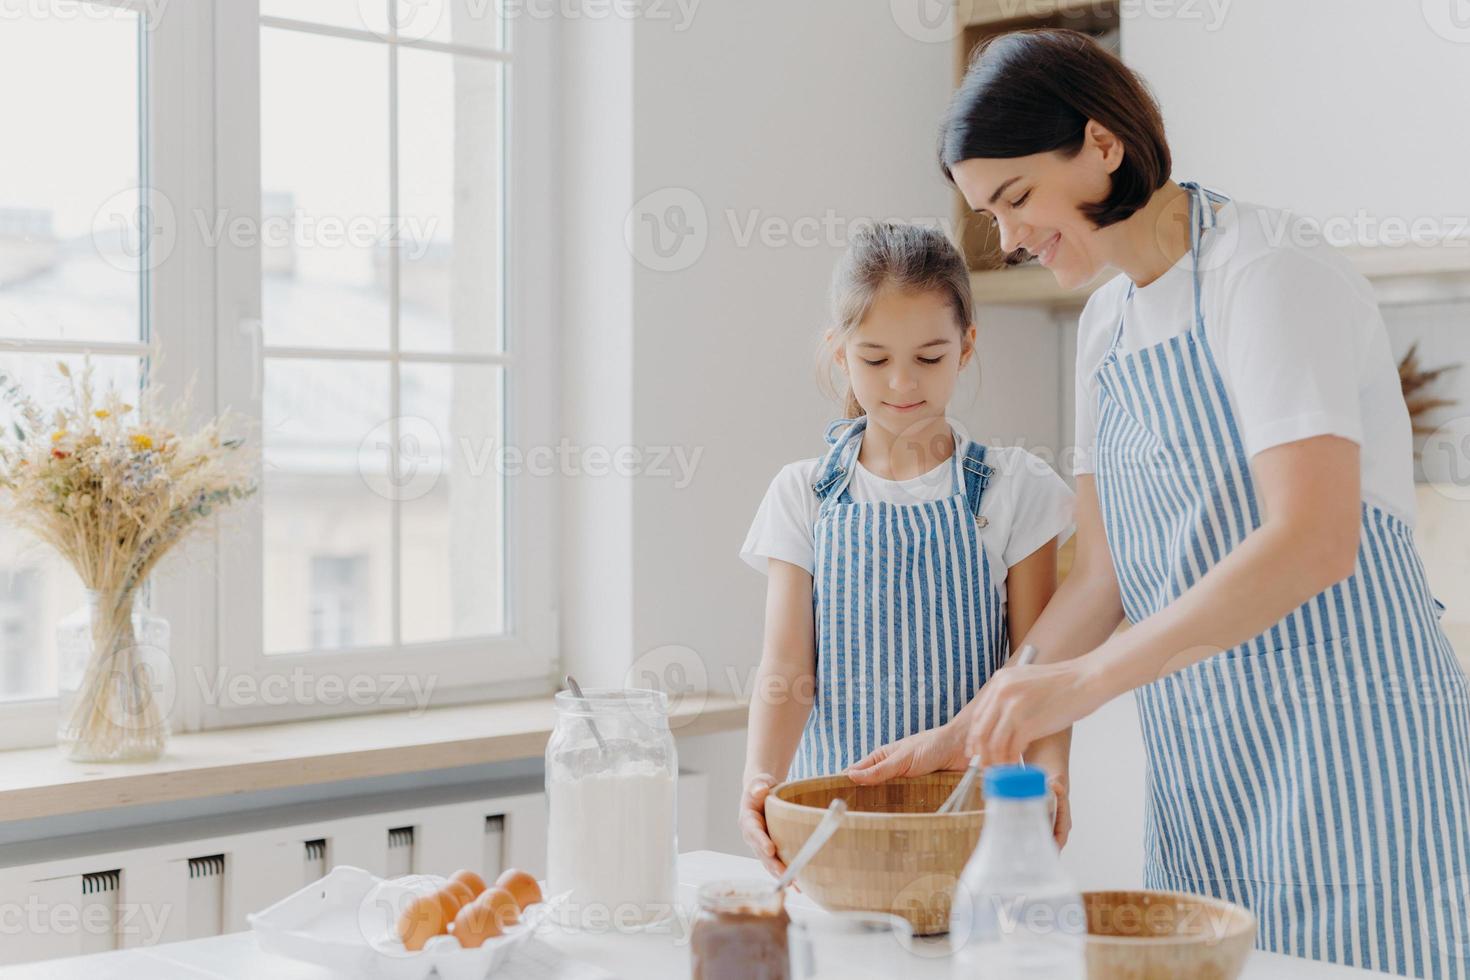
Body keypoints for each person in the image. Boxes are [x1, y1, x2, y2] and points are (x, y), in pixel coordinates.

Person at [849, 29, 1470, 978]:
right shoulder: (1107, 326)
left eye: (1015, 198)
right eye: (987, 213)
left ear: (1103, 144)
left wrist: (1084, 686)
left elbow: (1313, 542)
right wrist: (969, 729)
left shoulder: (1265, 270)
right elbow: (1101, 578)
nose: (1007, 238)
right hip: (1209, 764)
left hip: (1355, 752)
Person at [737, 221, 1075, 877]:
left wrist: (1054, 775)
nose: (901, 384)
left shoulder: (1015, 489)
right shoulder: (802, 494)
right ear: (839, 352)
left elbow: (1037, 668)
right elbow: (786, 670)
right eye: (874, 359)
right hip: (835, 831)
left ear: (966, 347)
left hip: (973, 830)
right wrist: (759, 777)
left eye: (928, 357)